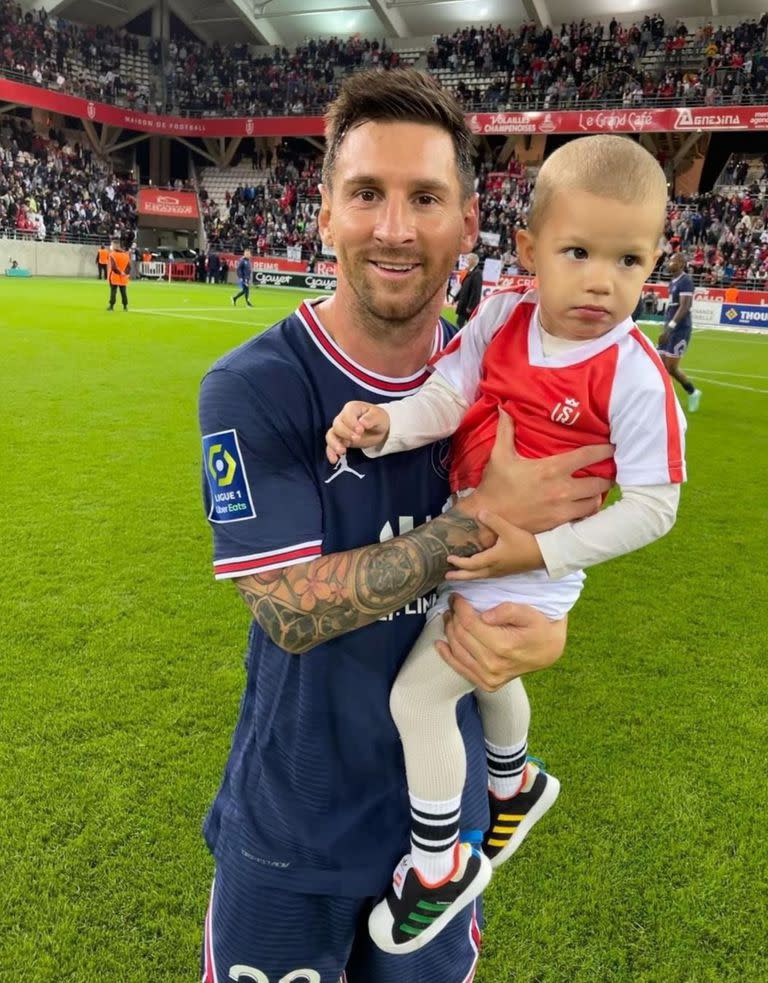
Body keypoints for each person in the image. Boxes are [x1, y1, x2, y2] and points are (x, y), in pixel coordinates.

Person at [198, 69, 613, 983]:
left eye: (425, 196)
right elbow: (288, 609)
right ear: (324, 213)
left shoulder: (509, 380)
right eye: (367, 194)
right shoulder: (256, 386)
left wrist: (542, 628)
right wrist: (472, 529)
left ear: (468, 222)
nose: (393, 227)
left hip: (441, 834)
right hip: (290, 826)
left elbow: (539, 577)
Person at [326, 134, 687, 954]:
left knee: (418, 699)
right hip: (476, 536)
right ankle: (515, 780)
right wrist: (386, 426)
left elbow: (657, 507)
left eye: (629, 260)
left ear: (656, 260)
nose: (602, 279)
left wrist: (541, 556)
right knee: (487, 681)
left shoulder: (633, 372)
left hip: (521, 568)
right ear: (527, 251)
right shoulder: (504, 318)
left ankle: (438, 866)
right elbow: (447, 395)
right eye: (578, 251)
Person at [658, 251, 702, 412]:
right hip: (669, 327)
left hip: (679, 329)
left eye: (673, 261)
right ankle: (665, 399)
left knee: (671, 368)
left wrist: (670, 327)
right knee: (660, 365)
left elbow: (685, 306)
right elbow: (673, 306)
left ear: (681, 264)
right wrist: (665, 326)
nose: (670, 263)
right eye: (669, 260)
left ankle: (693, 392)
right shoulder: (673, 282)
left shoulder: (686, 281)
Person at [453, 252, 483, 327]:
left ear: (473, 261)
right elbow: (463, 288)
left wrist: (470, 306)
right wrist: (456, 298)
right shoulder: (469, 272)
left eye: (468, 260)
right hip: (464, 304)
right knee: (460, 323)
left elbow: (476, 292)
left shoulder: (477, 274)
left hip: (468, 306)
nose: (466, 261)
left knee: (466, 325)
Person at [106, 238, 130, 311]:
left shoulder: (112, 254)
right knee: (123, 292)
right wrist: (125, 273)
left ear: (115, 246)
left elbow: (113, 267)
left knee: (113, 291)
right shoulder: (126, 255)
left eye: (112, 245)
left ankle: (111, 306)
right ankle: (125, 306)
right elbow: (128, 266)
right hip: (123, 277)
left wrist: (120, 272)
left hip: (114, 276)